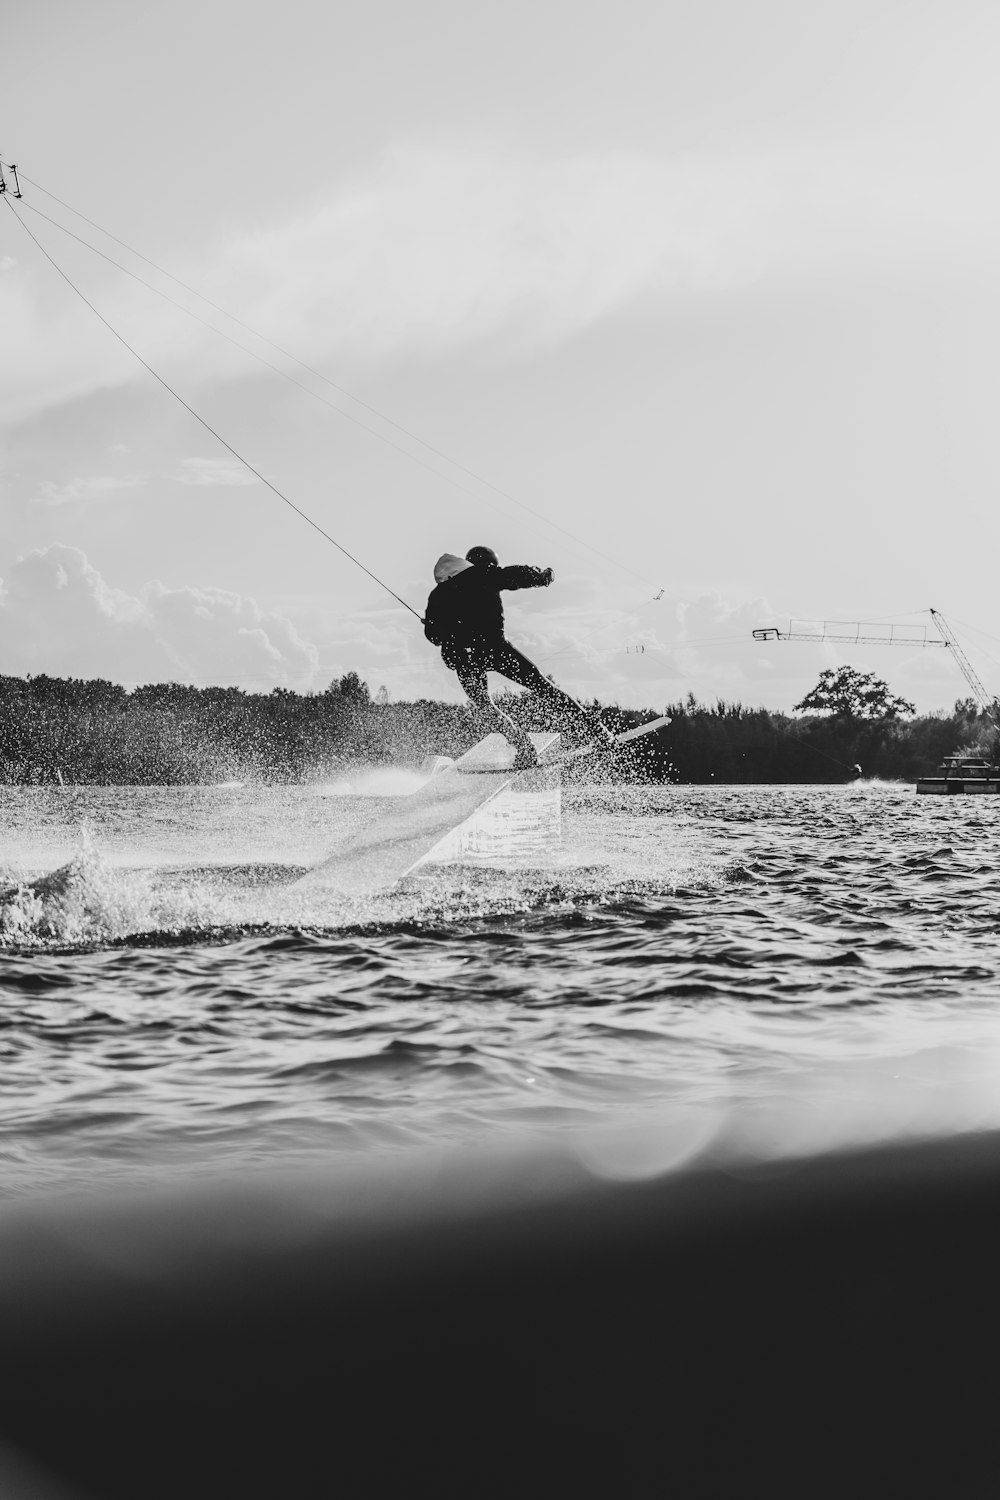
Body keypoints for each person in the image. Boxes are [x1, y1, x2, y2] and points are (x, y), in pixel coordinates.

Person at [424, 545, 616, 769]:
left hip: (464, 659)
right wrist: (542, 577)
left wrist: (440, 625)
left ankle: (523, 747)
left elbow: (433, 636)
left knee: (485, 705)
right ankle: (598, 732)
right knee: (543, 687)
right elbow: (514, 575)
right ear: (487, 563)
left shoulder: (437, 594)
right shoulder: (482, 573)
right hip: (494, 650)